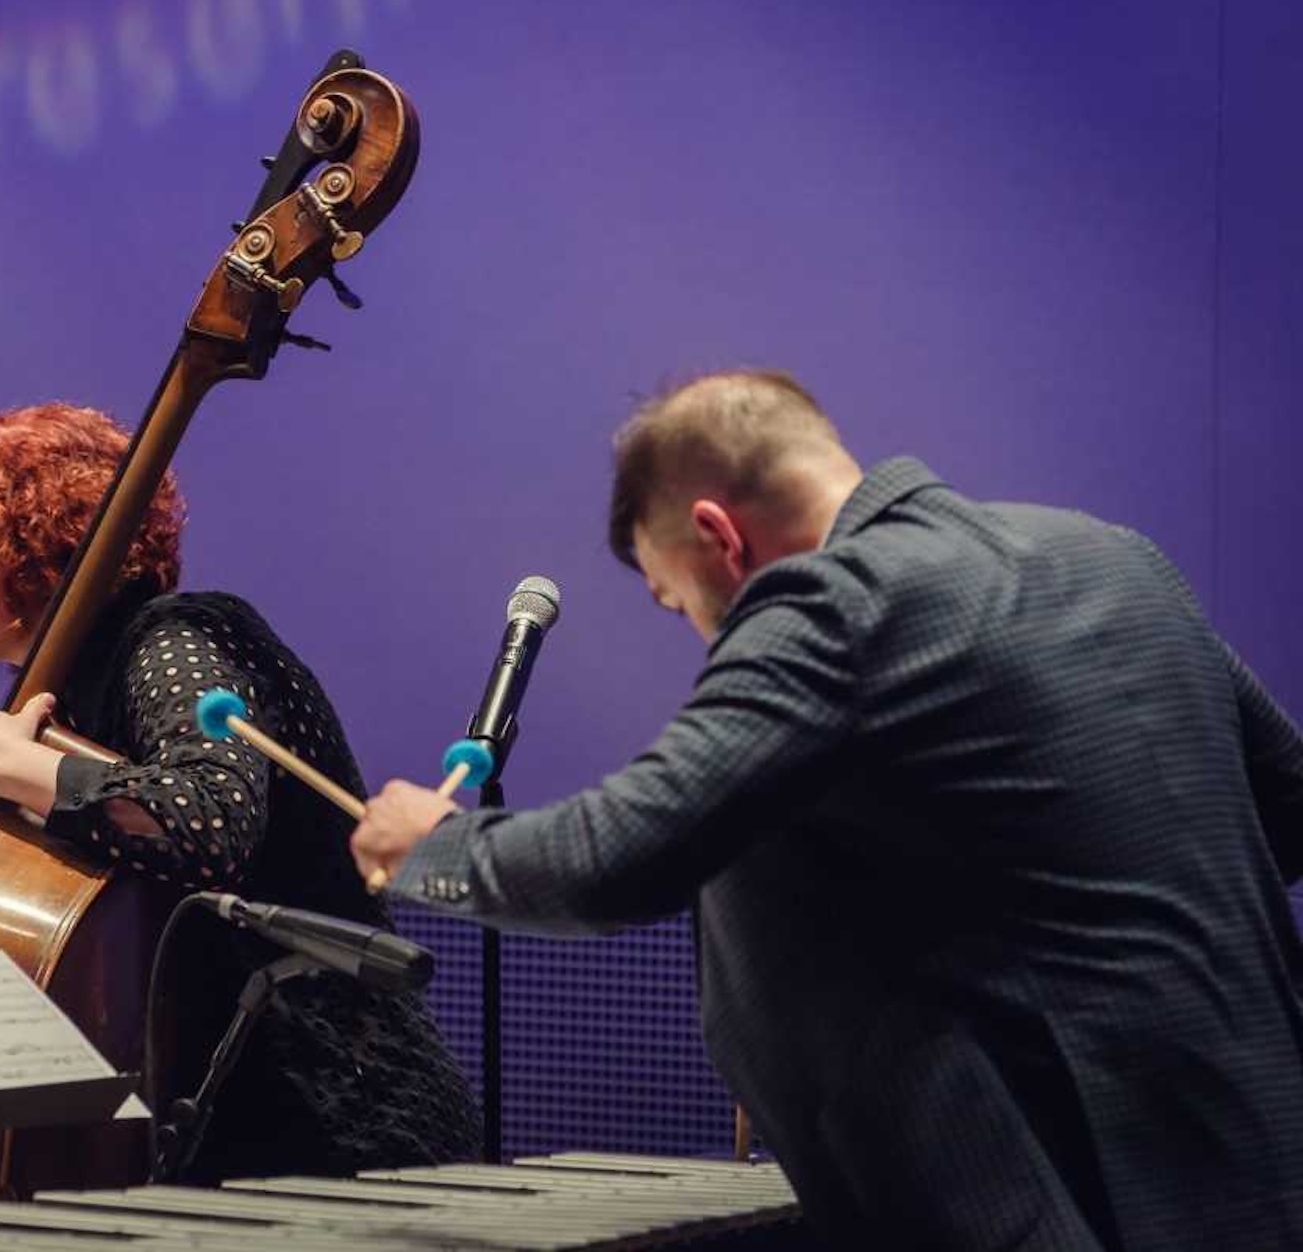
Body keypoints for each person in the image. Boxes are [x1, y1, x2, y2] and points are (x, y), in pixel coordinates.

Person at [351, 370, 1303, 1250]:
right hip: (1266, 1165)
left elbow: (617, 858)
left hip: (1075, 1205)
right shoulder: (1115, 558)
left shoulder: (833, 605)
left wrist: (431, 846)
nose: (697, 631)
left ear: (722, 540)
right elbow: (1288, 810)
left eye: (676, 600)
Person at [0, 402, 478, 1183]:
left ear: (40, 530)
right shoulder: (68, 700)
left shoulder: (178, 637)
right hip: (214, 1134)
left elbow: (207, 819)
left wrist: (16, 770)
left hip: (336, 1126)